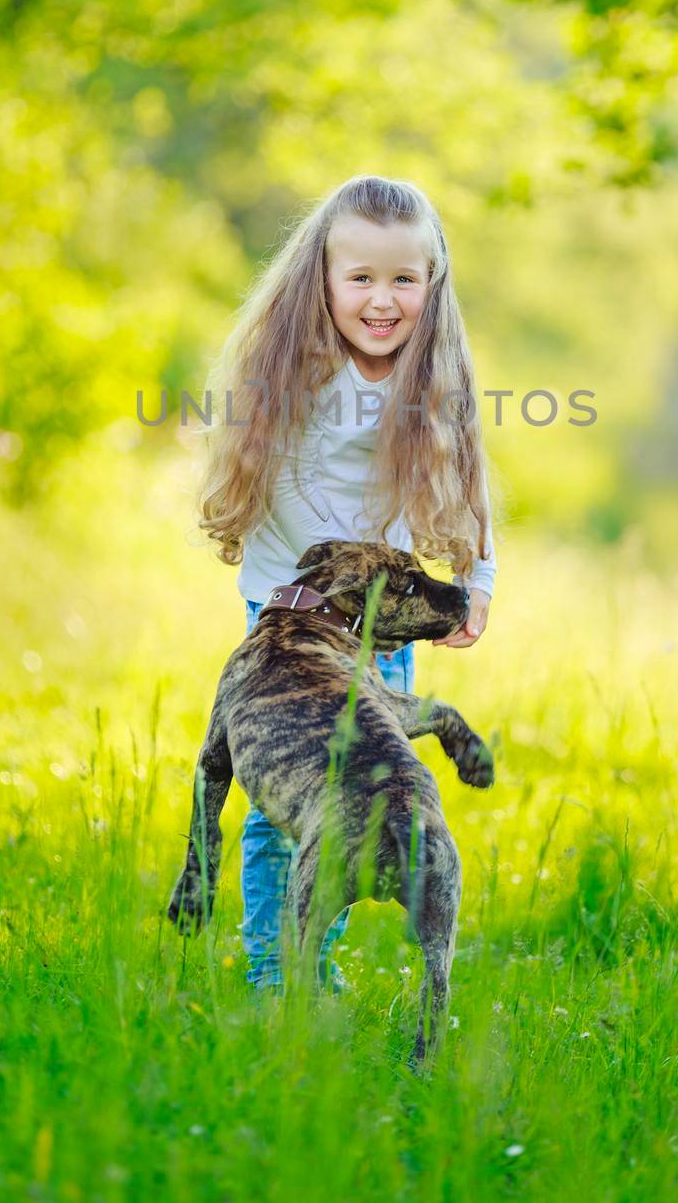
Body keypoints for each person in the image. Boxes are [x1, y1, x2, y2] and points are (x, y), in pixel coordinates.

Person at [194, 174, 499, 989]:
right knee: (282, 800)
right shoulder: (289, 368)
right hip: (293, 613)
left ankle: (350, 940)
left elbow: (467, 483)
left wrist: (476, 581)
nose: (381, 300)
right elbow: (288, 495)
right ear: (321, 278)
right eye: (359, 277)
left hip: (384, 622)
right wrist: (337, 589)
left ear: (431, 285)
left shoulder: (431, 376)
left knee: (372, 784)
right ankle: (277, 968)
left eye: (404, 279)